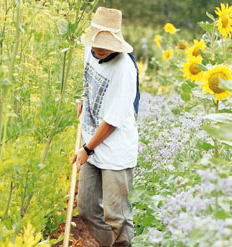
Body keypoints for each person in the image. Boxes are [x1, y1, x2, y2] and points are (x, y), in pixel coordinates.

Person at [70, 6, 140, 247]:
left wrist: (86, 150)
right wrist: (83, 101)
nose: (97, 49)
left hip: (115, 151)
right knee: (87, 210)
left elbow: (112, 121)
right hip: (93, 144)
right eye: (94, 44)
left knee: (115, 217)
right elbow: (89, 81)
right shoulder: (90, 51)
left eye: (103, 45)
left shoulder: (124, 70)